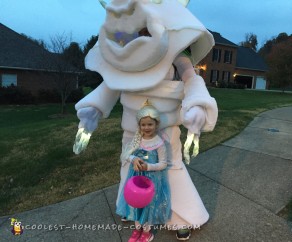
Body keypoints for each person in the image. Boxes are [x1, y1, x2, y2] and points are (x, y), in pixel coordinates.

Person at [73, 1, 218, 240]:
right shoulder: (125, 49)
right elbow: (110, 85)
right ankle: (133, 207)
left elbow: (192, 80)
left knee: (171, 169)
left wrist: (196, 106)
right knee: (130, 168)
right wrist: (93, 110)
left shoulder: (176, 53)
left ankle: (181, 217)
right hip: (132, 128)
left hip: (165, 129)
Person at [116, 100, 171, 242]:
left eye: (150, 124)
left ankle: (147, 233)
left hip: (151, 181)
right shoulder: (137, 140)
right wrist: (133, 159)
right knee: (135, 205)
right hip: (135, 180)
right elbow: (125, 155)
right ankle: (137, 229)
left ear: (156, 124)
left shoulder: (159, 143)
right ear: (139, 126)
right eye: (143, 124)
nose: (147, 127)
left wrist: (149, 167)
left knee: (148, 207)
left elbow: (163, 164)